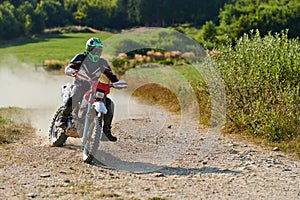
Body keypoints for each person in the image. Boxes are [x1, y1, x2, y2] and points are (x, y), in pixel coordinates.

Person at [59, 37, 121, 142]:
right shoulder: (80, 57)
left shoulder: (102, 62)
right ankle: (63, 119)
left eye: (99, 50)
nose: (97, 52)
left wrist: (116, 82)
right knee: (75, 97)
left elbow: (111, 75)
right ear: (89, 49)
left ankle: (106, 132)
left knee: (110, 103)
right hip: (80, 85)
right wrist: (74, 72)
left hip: (95, 89)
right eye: (94, 50)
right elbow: (68, 68)